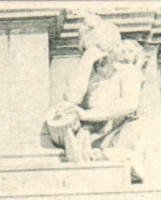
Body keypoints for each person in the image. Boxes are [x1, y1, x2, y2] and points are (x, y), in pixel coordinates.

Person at [45, 14, 144, 168]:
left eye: (104, 50)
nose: (101, 59)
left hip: (117, 131)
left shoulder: (126, 71)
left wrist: (87, 115)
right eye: (92, 51)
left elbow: (129, 104)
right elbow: (71, 99)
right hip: (92, 133)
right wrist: (87, 61)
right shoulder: (86, 73)